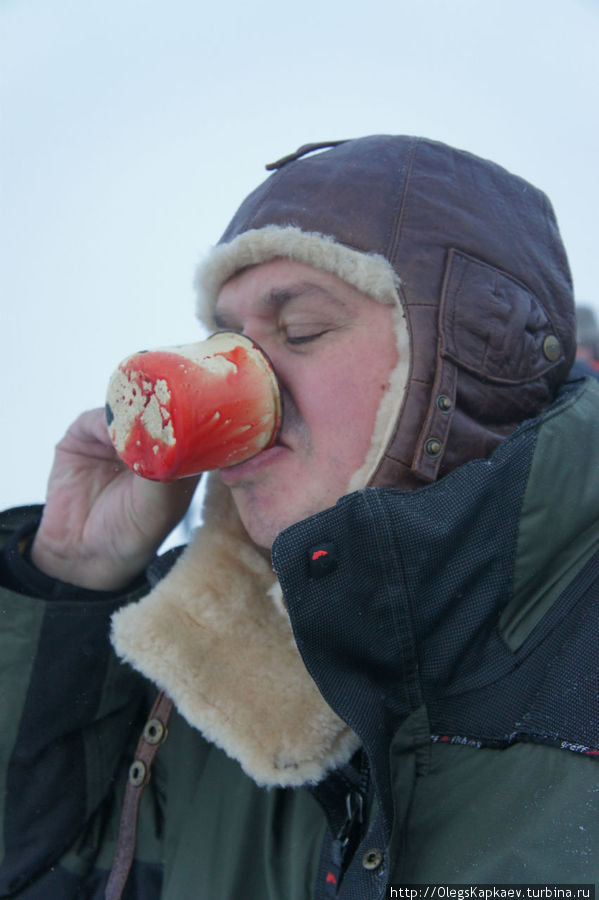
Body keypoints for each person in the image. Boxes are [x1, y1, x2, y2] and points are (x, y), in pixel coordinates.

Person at [1, 135, 599, 900]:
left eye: (301, 332)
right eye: (225, 343)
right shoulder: (207, 673)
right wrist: (72, 575)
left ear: (462, 363)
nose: (239, 384)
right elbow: (40, 870)